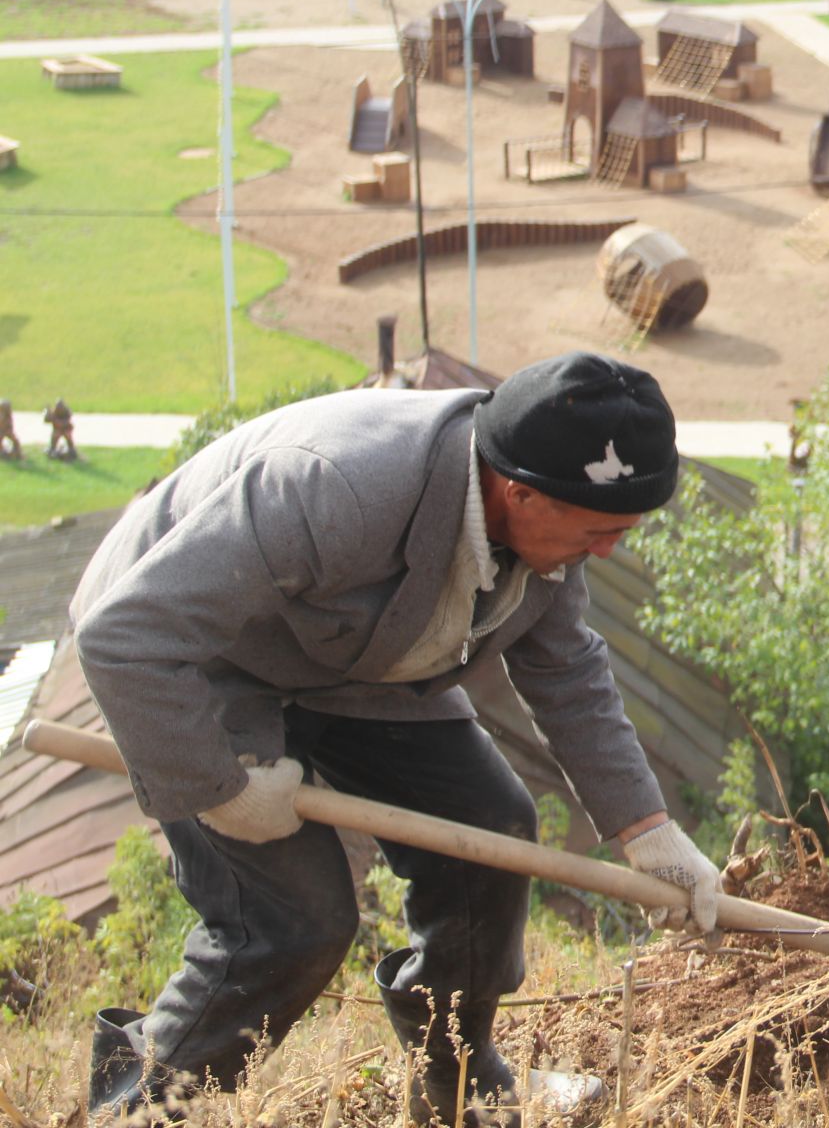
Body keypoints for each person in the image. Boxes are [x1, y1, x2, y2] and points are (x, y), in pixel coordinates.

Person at [71, 353, 723, 1122]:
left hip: (352, 653)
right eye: (601, 530)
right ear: (518, 492)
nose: (610, 550)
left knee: (487, 831)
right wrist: (225, 793)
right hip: (196, 653)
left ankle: (457, 1090)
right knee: (291, 920)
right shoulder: (333, 486)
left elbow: (567, 672)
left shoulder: (549, 520)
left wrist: (647, 831)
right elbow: (127, 635)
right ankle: (135, 1111)